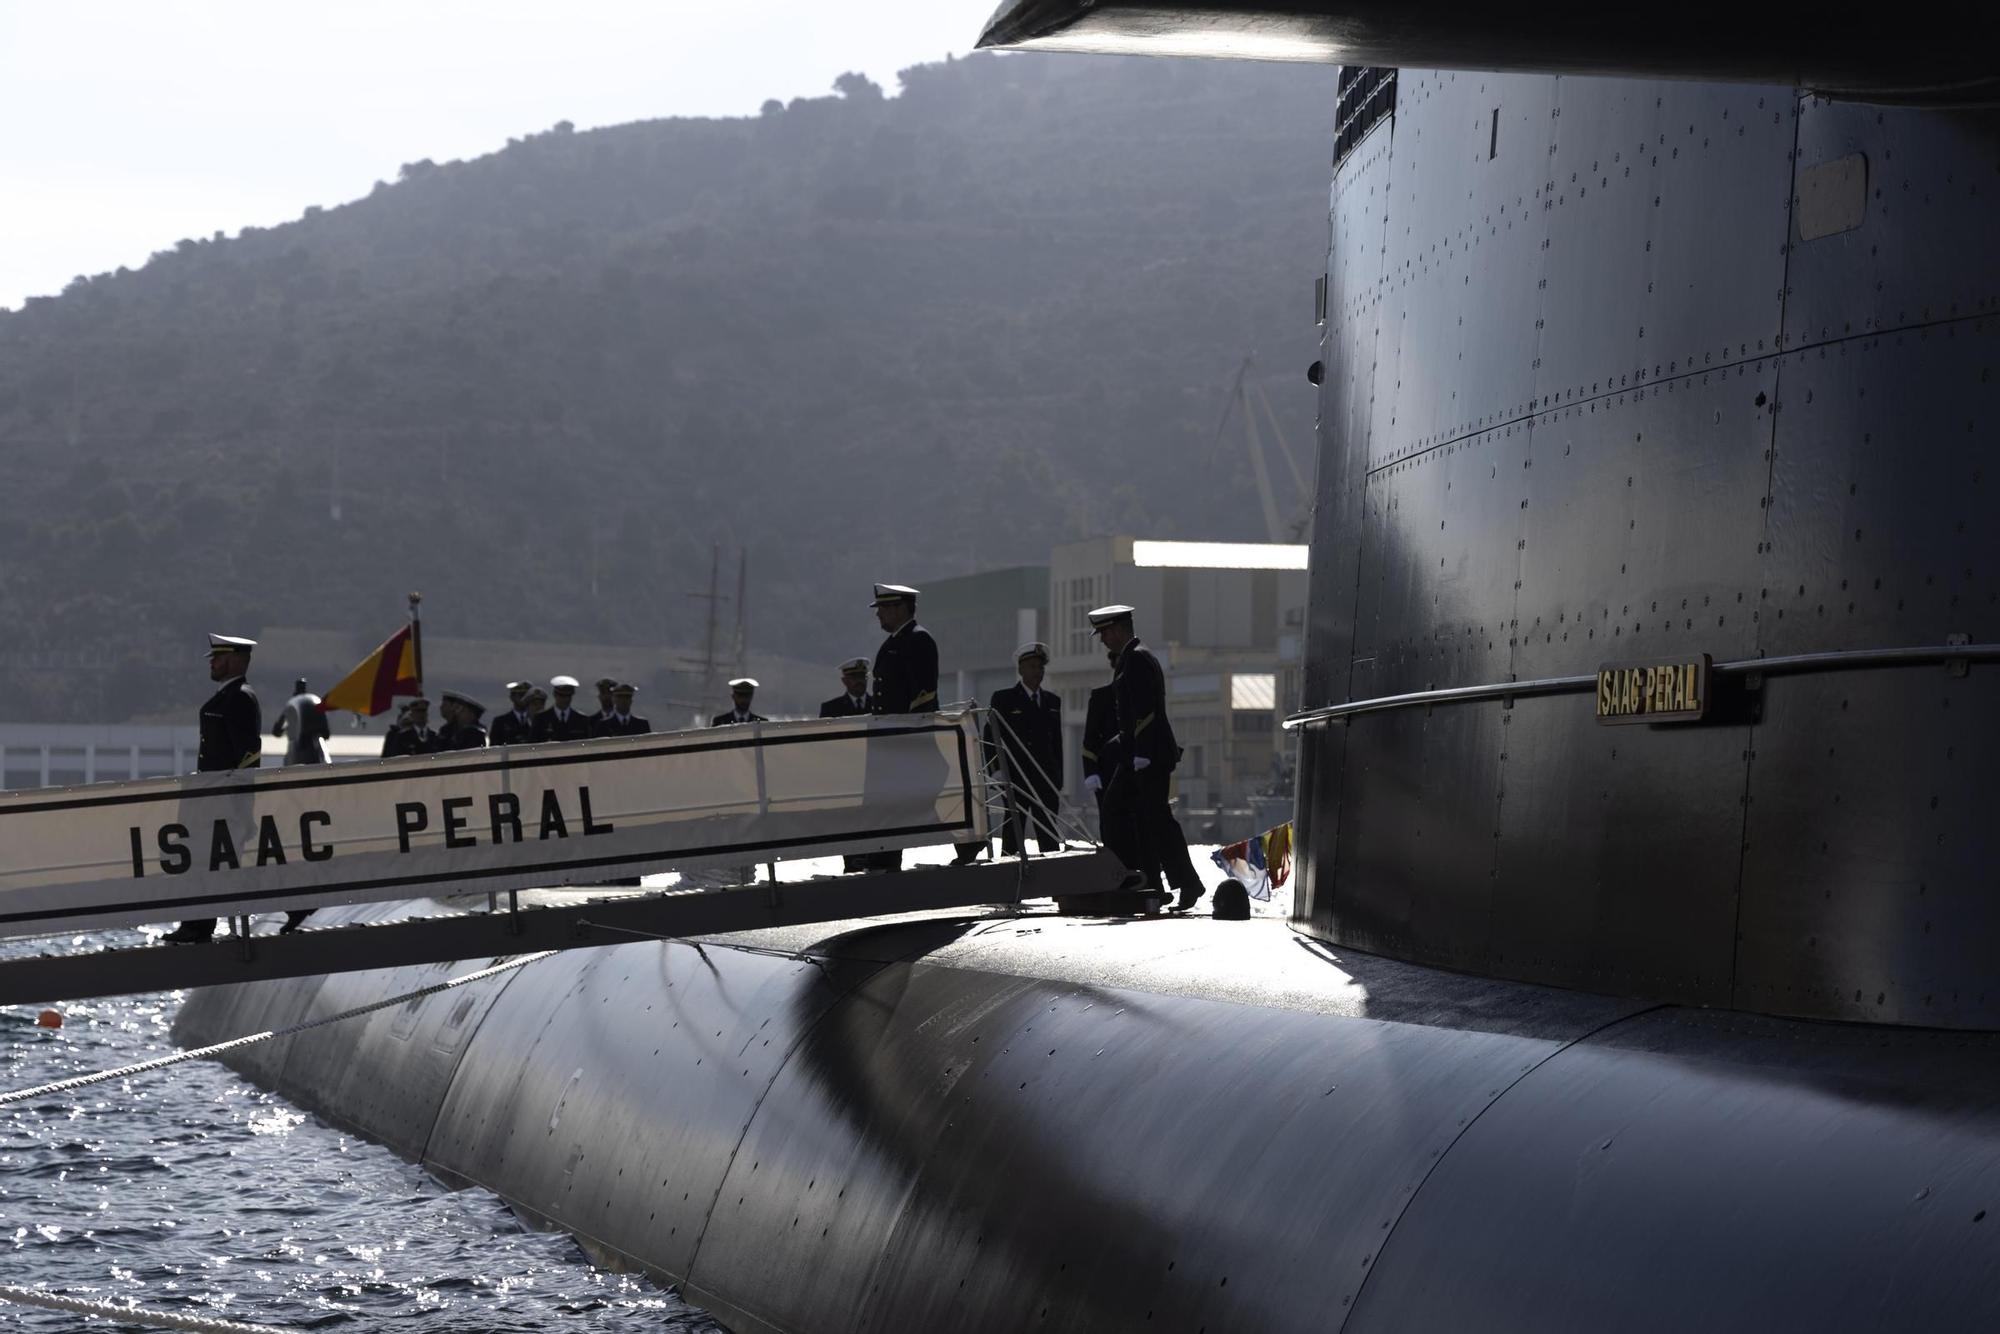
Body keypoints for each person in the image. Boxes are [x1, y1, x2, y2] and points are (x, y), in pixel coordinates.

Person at [1089, 604, 1203, 910]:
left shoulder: (1137, 658)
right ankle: (1146, 880)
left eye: (1104, 633)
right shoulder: (1132, 657)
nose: (1102, 641)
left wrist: (1141, 754)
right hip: (1137, 755)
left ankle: (1170, 881)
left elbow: (1146, 711)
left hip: (1147, 756)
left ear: (1117, 629)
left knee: (1150, 818)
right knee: (1135, 816)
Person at [162, 634, 262, 943]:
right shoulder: (225, 697)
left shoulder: (240, 698)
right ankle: (194, 923)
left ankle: (200, 925)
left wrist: (240, 802)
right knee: (200, 861)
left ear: (233, 659)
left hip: (224, 799)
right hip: (210, 798)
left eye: (217, 658)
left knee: (212, 864)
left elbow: (248, 756)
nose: (213, 664)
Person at [869, 584, 958, 869]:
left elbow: (922, 697)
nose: (879, 615)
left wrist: (905, 738)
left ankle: (969, 843)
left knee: (920, 802)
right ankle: (883, 860)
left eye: (883, 609)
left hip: (909, 742)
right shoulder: (892, 644)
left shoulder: (918, 640)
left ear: (900, 608)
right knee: (896, 806)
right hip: (890, 744)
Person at [986, 642, 1063, 856]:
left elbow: (1056, 744)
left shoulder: (1052, 701)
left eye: (1040, 667)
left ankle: (1054, 881)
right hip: (1015, 779)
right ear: (1020, 669)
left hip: (1045, 779)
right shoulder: (1004, 699)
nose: (1037, 672)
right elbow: (990, 735)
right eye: (1032, 666)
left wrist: (1058, 779)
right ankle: (1009, 880)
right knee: (1013, 833)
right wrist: (996, 771)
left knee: (1049, 836)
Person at [273, 676, 330, 766]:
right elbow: (326, 731)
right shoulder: (315, 700)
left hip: (298, 752)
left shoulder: (292, 703)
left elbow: (276, 731)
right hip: (318, 751)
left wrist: (287, 729)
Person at [535, 675, 595, 742]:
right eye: (562, 696)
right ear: (555, 694)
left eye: (568, 696)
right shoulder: (541, 719)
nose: (565, 700)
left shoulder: (581, 719)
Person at [489, 681, 536, 746]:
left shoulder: (536, 720)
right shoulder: (500, 722)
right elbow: (494, 747)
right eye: (521, 695)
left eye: (527, 696)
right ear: (512, 697)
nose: (524, 699)